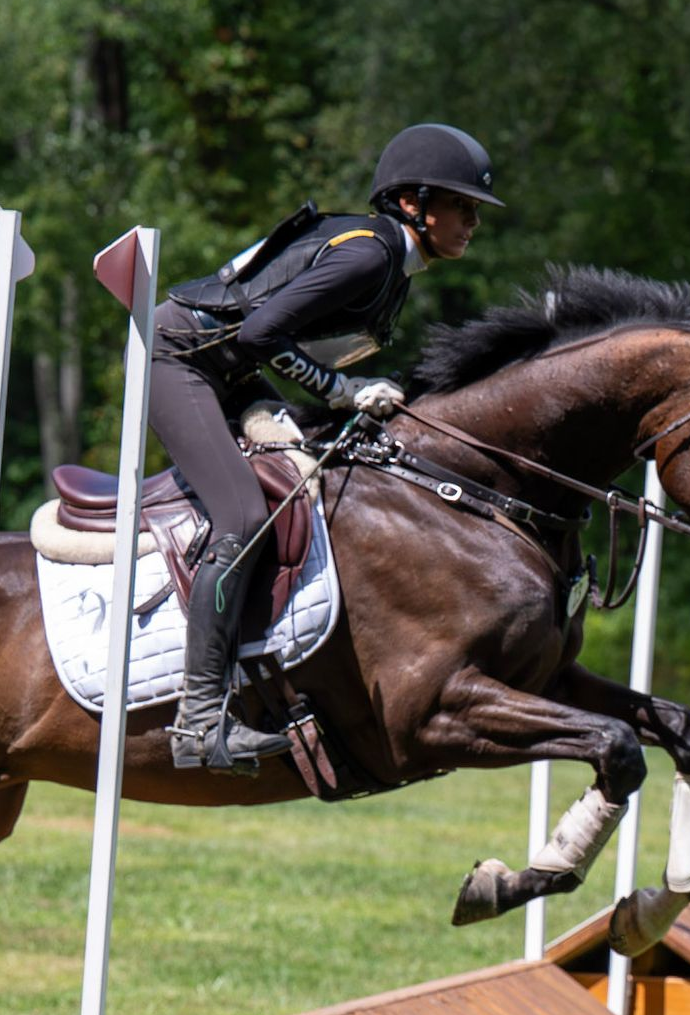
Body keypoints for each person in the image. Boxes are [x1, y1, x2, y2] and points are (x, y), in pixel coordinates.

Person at [152, 122, 503, 774]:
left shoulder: (390, 259)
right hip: (180, 360)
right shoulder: (371, 254)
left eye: (474, 210)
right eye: (462, 206)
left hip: (228, 367)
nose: (472, 222)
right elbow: (260, 335)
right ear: (412, 203)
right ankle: (199, 722)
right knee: (242, 517)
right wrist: (342, 389)